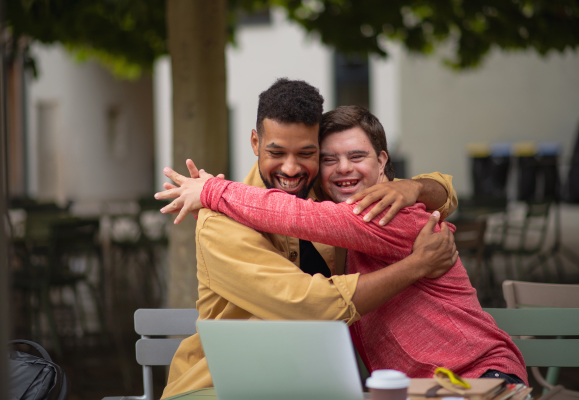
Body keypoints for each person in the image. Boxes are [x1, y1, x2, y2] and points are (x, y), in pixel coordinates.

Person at [166, 105, 528, 385]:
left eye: (357, 157)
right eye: (329, 160)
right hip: (420, 387)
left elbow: (297, 216)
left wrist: (212, 190)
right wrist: (422, 190)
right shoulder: (340, 204)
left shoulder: (389, 213)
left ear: (383, 161)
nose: (343, 169)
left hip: (478, 377)